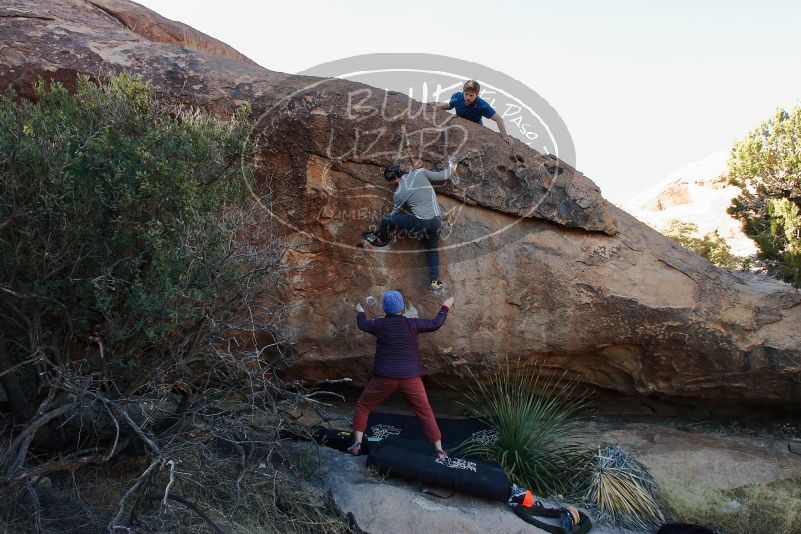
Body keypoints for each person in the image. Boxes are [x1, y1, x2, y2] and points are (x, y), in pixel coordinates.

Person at [348, 290, 455, 459]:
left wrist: (360, 312)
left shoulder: (379, 325)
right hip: (410, 378)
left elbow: (363, 325)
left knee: (364, 405)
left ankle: (357, 444)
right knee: (425, 412)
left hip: (384, 378)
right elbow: (436, 323)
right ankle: (439, 451)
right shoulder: (412, 324)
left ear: (385, 308)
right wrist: (445, 307)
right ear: (402, 307)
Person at [363, 162, 454, 292]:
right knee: (432, 250)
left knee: (388, 219)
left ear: (392, 180)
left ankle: (380, 238)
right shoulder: (420, 172)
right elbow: (444, 175)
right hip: (436, 222)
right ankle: (435, 282)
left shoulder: (399, 192)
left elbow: (395, 213)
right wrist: (452, 166)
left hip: (421, 222)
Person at [434, 79, 513, 145]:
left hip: (475, 129)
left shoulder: (481, 105)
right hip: (458, 124)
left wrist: (505, 136)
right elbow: (449, 106)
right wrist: (434, 107)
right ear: (463, 92)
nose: (468, 97)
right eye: (466, 94)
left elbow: (498, 118)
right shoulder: (456, 96)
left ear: (477, 94)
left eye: (471, 95)